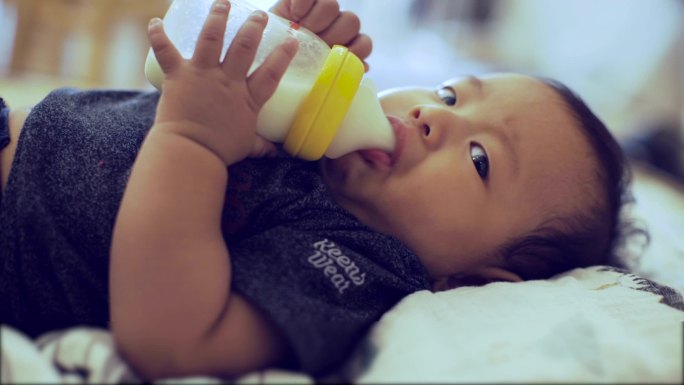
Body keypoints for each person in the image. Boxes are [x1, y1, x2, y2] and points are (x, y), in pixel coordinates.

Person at [0, 0, 636, 380]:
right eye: (448, 93)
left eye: (480, 159)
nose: (431, 115)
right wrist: (282, 52)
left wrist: (192, 139)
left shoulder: (357, 262)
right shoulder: (316, 146)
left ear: (477, 282)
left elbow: (170, 339)